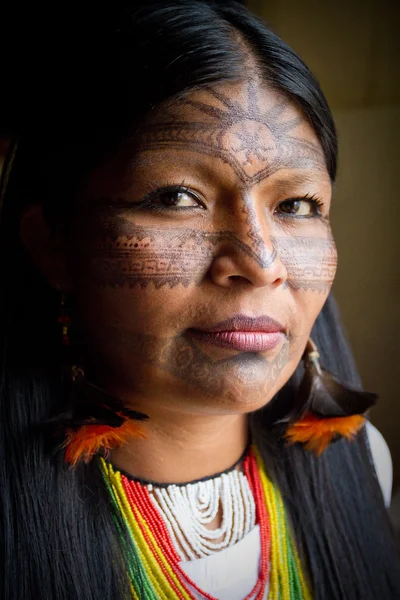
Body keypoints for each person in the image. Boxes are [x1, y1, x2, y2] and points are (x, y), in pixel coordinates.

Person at [0, 1, 399, 599]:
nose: (262, 266)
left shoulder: (368, 464)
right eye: (177, 197)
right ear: (53, 244)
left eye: (297, 206)